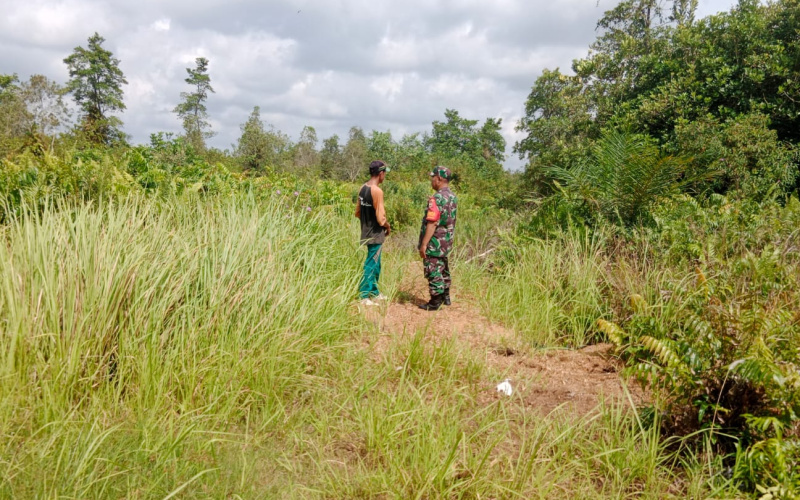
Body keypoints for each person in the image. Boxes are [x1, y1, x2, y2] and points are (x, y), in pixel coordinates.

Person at [418, 166, 458, 311]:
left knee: (433, 268)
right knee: (443, 267)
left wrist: (424, 244)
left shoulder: (437, 198)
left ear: (439, 179)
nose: (432, 180)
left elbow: (433, 222)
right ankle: (446, 296)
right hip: (446, 240)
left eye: (433, 177)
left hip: (435, 241)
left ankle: (435, 301)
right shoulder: (452, 196)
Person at [355, 160, 391, 306]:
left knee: (376, 263)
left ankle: (374, 292)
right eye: (385, 173)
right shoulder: (377, 191)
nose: (385, 176)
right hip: (375, 233)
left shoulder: (363, 188)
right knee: (371, 263)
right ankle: (364, 295)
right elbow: (381, 218)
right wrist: (388, 227)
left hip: (365, 231)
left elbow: (358, 212)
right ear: (380, 173)